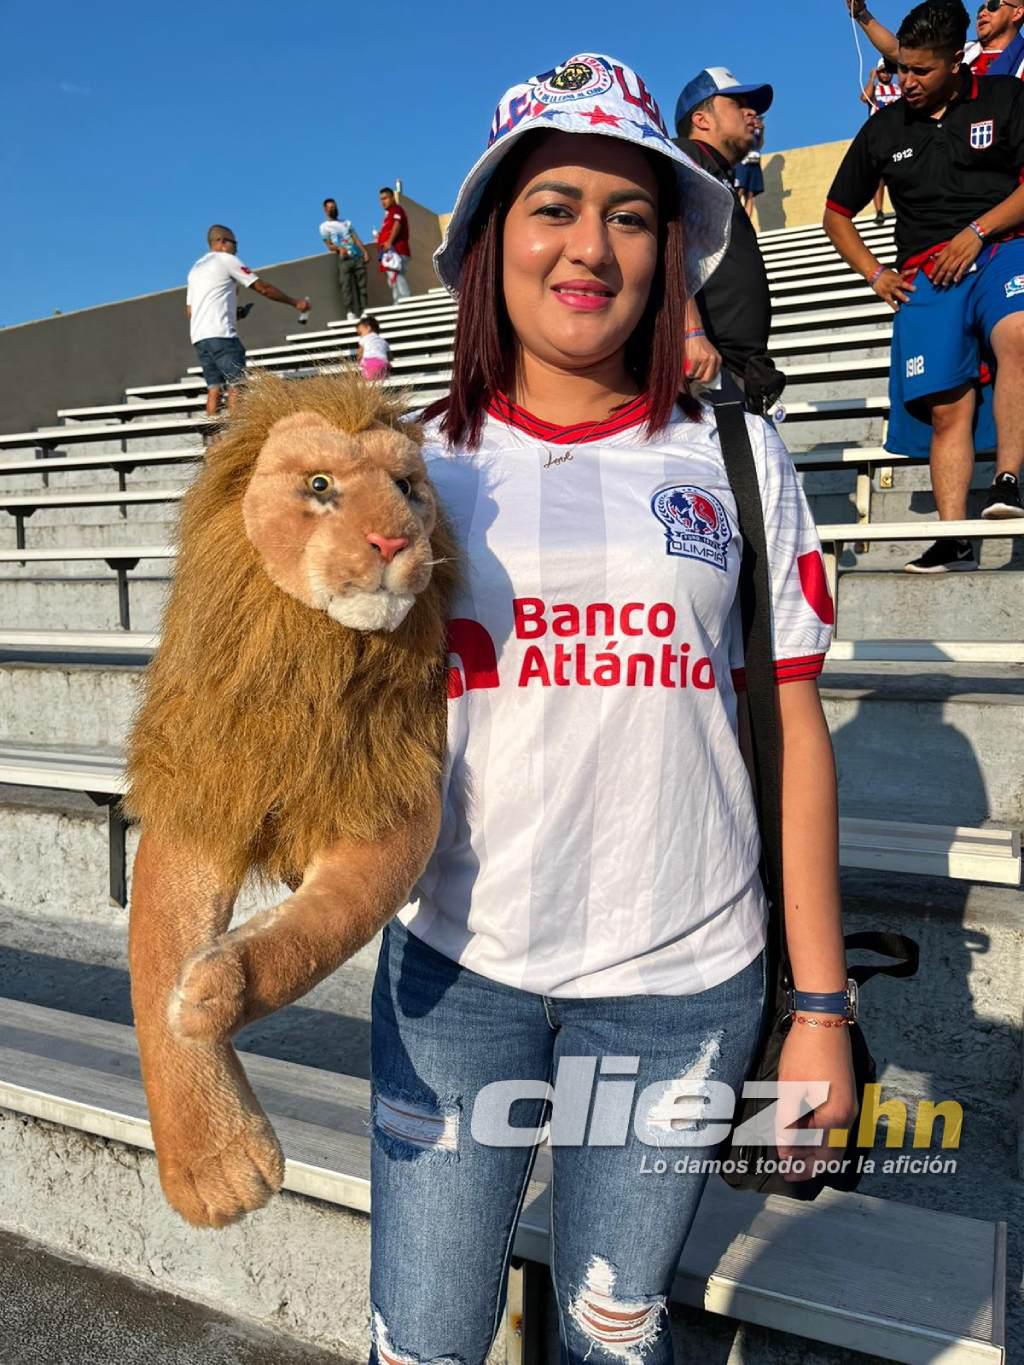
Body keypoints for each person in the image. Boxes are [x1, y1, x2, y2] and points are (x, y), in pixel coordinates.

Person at [368, 51, 857, 1365]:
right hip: (456, 974)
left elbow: (794, 730)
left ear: (669, 247)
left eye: (630, 214)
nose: (591, 245)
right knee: (420, 1344)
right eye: (554, 205)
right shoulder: (404, 461)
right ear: (489, 243)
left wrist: (821, 1009)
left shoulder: (740, 455)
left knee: (615, 1348)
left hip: (683, 985)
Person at [825, 0, 1024, 574]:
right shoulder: (884, 127)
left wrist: (978, 230)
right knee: (945, 407)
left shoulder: (1006, 97)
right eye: (903, 69)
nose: (905, 81)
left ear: (955, 64)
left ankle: (1009, 481)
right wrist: (875, 273)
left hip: (1003, 244)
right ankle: (953, 535)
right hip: (925, 270)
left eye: (920, 71)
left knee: (1018, 331)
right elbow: (837, 213)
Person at [674, 68, 784, 409]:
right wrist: (690, 332)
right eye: (738, 103)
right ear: (701, 119)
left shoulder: (718, 174)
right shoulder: (685, 157)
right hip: (704, 368)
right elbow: (666, 238)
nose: (752, 112)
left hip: (731, 370)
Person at [186, 226, 310, 417]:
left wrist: (236, 313)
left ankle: (213, 443)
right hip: (222, 336)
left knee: (214, 389)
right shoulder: (227, 259)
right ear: (222, 242)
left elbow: (190, 311)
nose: (237, 249)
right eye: (235, 243)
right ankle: (237, 439)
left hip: (199, 338)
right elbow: (263, 288)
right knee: (237, 385)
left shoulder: (196, 268)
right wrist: (295, 302)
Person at [847, 0, 1024, 77]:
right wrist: (861, 13)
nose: (983, 13)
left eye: (993, 5)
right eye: (981, 8)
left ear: (1018, 12)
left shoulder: (1020, 62)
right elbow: (898, 51)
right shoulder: (964, 52)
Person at [861, 60, 903, 221]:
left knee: (899, 172)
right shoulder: (875, 89)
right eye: (882, 71)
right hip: (879, 135)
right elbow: (864, 98)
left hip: (898, 133)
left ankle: (901, 207)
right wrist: (871, 79)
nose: (885, 74)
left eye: (888, 71)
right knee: (878, 175)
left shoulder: (899, 89)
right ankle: (879, 211)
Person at [320, 197, 370, 320]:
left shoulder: (347, 222)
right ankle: (350, 311)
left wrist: (365, 252)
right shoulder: (324, 227)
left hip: (357, 256)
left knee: (362, 285)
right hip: (344, 259)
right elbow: (329, 245)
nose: (333, 209)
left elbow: (356, 238)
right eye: (330, 208)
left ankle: (365, 310)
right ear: (325, 210)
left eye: (335, 207)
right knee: (346, 286)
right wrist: (339, 249)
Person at [377, 186, 411, 302]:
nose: (383, 202)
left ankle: (405, 301)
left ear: (392, 198)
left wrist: (389, 242)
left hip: (397, 251)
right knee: (392, 279)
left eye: (385, 198)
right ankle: (398, 301)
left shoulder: (397, 210)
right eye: (381, 199)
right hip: (389, 254)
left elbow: (397, 224)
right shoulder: (388, 215)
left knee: (397, 277)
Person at [735, 115, 766, 219]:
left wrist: (761, 130)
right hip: (742, 162)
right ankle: (734, 218)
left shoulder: (757, 131)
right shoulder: (741, 126)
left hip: (754, 162)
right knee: (740, 189)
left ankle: (747, 222)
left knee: (750, 194)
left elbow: (760, 144)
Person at [355, 315, 391, 380]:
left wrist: (358, 360)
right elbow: (390, 357)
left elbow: (360, 353)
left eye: (360, 333)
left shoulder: (364, 339)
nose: (360, 336)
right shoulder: (384, 341)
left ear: (368, 328)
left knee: (365, 380)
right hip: (383, 364)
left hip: (370, 364)